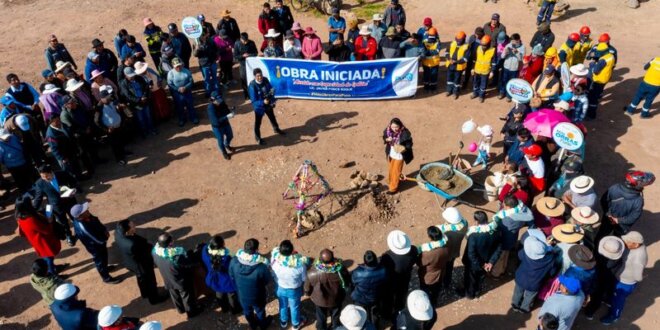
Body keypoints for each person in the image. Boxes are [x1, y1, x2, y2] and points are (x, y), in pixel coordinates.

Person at [600, 231, 648, 325]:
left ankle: (614, 316)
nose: (624, 243)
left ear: (636, 244)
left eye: (627, 242)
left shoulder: (638, 258)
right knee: (615, 295)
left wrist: (641, 277)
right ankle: (610, 301)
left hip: (626, 283)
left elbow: (638, 277)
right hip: (620, 278)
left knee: (619, 301)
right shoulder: (634, 247)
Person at [115, 220, 166, 305]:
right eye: (132, 226)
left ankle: (145, 293)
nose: (135, 226)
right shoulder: (133, 244)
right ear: (128, 231)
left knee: (141, 279)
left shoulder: (118, 233)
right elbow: (145, 252)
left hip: (131, 263)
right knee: (150, 281)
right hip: (142, 265)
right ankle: (154, 299)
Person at [71, 202, 121, 284]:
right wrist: (103, 240)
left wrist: (104, 230)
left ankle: (105, 268)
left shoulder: (87, 216)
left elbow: (97, 221)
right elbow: (94, 238)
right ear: (80, 216)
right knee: (99, 261)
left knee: (104, 256)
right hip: (95, 247)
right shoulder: (82, 227)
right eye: (85, 211)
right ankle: (106, 278)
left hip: (100, 242)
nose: (87, 210)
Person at [152, 233, 200, 318]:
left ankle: (180, 309)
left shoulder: (155, 252)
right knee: (186, 296)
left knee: (174, 294)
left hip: (167, 278)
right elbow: (188, 263)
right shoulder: (176, 256)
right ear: (170, 243)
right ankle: (191, 312)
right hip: (180, 280)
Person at [229, 238, 273, 329]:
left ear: (244, 248)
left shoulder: (234, 261)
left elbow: (231, 275)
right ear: (256, 250)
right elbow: (266, 280)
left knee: (247, 311)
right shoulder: (261, 266)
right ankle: (262, 325)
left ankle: (253, 325)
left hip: (242, 295)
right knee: (260, 310)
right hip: (258, 296)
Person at [511, 229, 559, 313]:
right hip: (535, 283)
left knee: (518, 291)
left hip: (520, 278)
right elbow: (552, 272)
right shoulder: (550, 258)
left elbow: (519, 256)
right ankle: (524, 308)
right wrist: (549, 248)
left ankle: (515, 304)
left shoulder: (525, 253)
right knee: (529, 296)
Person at [16, 197, 65, 276]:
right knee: (48, 257)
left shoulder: (20, 217)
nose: (32, 202)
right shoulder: (30, 219)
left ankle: (52, 268)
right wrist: (50, 221)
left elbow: (22, 232)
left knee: (47, 257)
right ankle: (52, 273)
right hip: (43, 242)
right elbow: (47, 230)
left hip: (36, 242)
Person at [32, 164, 78, 246]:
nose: (45, 179)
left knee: (75, 218)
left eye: (47, 176)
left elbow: (73, 181)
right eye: (43, 177)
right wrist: (32, 210)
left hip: (69, 201)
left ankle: (79, 231)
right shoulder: (39, 183)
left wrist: (73, 189)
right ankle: (69, 236)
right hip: (56, 206)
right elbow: (38, 198)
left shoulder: (62, 174)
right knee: (63, 222)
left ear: (51, 172)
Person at [459, 211, 502, 299]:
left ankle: (470, 294)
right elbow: (498, 248)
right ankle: (477, 291)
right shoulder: (496, 231)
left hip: (474, 264)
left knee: (471, 278)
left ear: (477, 222)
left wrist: (481, 264)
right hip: (487, 261)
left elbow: (471, 254)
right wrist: (490, 262)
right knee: (481, 277)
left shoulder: (474, 236)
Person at [599, 171, 654, 238]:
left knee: (601, 235)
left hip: (608, 219)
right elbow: (633, 217)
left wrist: (609, 214)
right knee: (617, 239)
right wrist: (618, 220)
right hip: (622, 226)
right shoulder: (638, 201)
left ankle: (596, 247)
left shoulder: (615, 187)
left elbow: (604, 201)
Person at [305, 249, 350, 330]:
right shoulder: (341, 270)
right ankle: (335, 327)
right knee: (336, 315)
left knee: (321, 316)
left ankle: (322, 328)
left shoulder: (312, 273)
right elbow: (347, 282)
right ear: (333, 259)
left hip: (320, 301)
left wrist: (308, 294)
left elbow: (307, 289)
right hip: (337, 299)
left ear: (320, 260)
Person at [491, 195, 534, 278]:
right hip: (514, 235)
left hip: (506, 238)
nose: (503, 205)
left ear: (509, 207)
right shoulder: (523, 208)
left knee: (502, 256)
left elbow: (499, 227)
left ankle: (496, 273)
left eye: (504, 204)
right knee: (507, 251)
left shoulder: (508, 218)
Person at [584, 236, 625, 320]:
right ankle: (608, 301)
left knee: (596, 297)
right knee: (609, 290)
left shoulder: (599, 258)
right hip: (611, 279)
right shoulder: (618, 259)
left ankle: (590, 312)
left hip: (598, 280)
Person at [271, 240, 308, 329]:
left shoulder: (275, 261)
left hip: (280, 287)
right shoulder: (300, 264)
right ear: (292, 251)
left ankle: (283, 322)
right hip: (294, 289)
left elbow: (272, 271)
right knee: (294, 307)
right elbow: (304, 278)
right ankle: (295, 324)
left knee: (282, 305)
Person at [380, 230, 418, 319]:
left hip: (391, 280)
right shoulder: (413, 250)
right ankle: (399, 312)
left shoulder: (387, 256)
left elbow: (383, 268)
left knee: (388, 298)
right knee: (401, 296)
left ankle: (386, 315)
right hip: (405, 278)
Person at [201, 235, 241, 314]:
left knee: (219, 293)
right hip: (226, 281)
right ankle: (235, 310)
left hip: (213, 280)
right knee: (231, 295)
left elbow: (205, 247)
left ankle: (224, 308)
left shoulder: (205, 252)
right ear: (222, 246)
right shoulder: (226, 258)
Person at [351, 250, 387, 328]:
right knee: (375, 314)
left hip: (361, 298)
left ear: (365, 262)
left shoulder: (357, 272)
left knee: (362, 314)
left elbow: (353, 283)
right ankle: (375, 326)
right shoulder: (383, 270)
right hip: (376, 297)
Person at [248, 68, 285, 145]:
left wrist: (272, 99)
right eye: (258, 76)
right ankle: (257, 138)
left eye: (261, 75)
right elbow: (254, 101)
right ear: (254, 76)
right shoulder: (252, 86)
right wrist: (262, 102)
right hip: (259, 108)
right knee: (258, 123)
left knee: (272, 118)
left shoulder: (265, 80)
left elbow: (270, 90)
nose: (260, 77)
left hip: (268, 104)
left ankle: (276, 129)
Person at [95, 86, 128, 165]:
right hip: (110, 130)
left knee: (120, 141)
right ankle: (119, 159)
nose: (108, 99)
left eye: (108, 97)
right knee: (115, 144)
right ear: (102, 99)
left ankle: (123, 153)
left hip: (118, 126)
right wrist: (106, 129)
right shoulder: (99, 107)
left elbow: (117, 108)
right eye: (106, 98)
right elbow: (96, 121)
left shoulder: (111, 101)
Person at [417, 226, 449, 306]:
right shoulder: (446, 247)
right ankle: (434, 303)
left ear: (430, 237)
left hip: (428, 277)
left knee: (425, 291)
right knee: (436, 291)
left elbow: (419, 263)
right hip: (440, 273)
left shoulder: (428, 253)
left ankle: (426, 305)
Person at [120, 67, 157, 136]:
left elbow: (146, 88)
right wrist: (139, 100)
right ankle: (144, 132)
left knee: (148, 116)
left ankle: (152, 129)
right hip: (136, 105)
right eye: (130, 76)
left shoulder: (139, 78)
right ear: (126, 75)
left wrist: (144, 96)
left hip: (145, 101)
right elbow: (128, 96)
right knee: (141, 119)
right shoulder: (123, 84)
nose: (132, 77)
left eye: (133, 75)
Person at [439, 207, 468, 289]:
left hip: (446, 253)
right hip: (455, 251)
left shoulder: (446, 232)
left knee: (444, 268)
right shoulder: (465, 224)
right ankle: (447, 283)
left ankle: (444, 283)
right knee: (450, 267)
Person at [382, 118, 413, 194]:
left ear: (400, 125)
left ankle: (393, 188)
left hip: (400, 155)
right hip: (391, 153)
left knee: (396, 171)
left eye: (396, 127)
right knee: (391, 168)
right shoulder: (388, 130)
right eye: (393, 127)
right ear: (390, 126)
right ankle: (390, 180)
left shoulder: (405, 133)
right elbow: (384, 137)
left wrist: (403, 148)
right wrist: (386, 140)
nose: (394, 129)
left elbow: (409, 144)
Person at [587, 42, 616, 119]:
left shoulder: (602, 60)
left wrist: (592, 64)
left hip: (598, 80)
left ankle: (591, 114)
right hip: (605, 79)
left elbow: (596, 70)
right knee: (597, 94)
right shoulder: (611, 56)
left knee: (592, 98)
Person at [167, 58, 199, 127]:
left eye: (179, 65)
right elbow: (170, 84)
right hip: (177, 93)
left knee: (190, 105)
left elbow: (191, 81)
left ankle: (193, 118)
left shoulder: (186, 71)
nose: (178, 67)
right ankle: (182, 119)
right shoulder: (170, 73)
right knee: (179, 107)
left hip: (187, 91)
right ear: (173, 66)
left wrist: (185, 87)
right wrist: (178, 89)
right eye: (176, 66)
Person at [207, 91, 236, 160]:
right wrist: (227, 117)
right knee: (220, 140)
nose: (219, 101)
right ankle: (224, 152)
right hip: (217, 127)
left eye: (220, 99)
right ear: (213, 99)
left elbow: (226, 111)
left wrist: (231, 110)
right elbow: (216, 122)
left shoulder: (222, 103)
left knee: (230, 136)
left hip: (225, 123)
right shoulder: (210, 108)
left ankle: (227, 144)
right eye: (218, 100)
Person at [471, 35, 496, 102]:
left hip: (485, 71)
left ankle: (481, 95)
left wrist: (492, 71)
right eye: (482, 45)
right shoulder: (478, 48)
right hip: (477, 70)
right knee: (475, 83)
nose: (483, 46)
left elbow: (493, 62)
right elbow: (474, 59)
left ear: (488, 44)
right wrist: (472, 68)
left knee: (483, 84)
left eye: (485, 45)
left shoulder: (493, 51)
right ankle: (475, 93)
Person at [500, 33, 525, 101]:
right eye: (512, 41)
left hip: (515, 68)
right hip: (506, 67)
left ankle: (509, 95)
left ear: (518, 40)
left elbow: (521, 59)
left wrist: (516, 52)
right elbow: (502, 56)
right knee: (504, 80)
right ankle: (502, 92)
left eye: (514, 41)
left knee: (512, 83)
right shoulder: (508, 45)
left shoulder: (522, 47)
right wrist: (505, 52)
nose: (512, 42)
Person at [195, 29, 220, 96]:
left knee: (214, 77)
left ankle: (216, 91)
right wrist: (197, 49)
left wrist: (217, 56)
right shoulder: (196, 43)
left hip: (212, 62)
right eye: (201, 35)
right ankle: (208, 92)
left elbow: (216, 49)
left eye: (204, 35)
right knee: (207, 79)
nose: (202, 36)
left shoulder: (211, 41)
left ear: (206, 34)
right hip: (204, 64)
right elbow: (195, 55)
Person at [234, 33, 259, 99]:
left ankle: (253, 93)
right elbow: (235, 57)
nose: (245, 42)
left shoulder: (251, 43)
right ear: (240, 39)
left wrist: (249, 55)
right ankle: (246, 94)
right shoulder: (237, 44)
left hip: (251, 65)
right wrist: (242, 56)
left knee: (252, 79)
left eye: (246, 40)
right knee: (244, 80)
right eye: (244, 40)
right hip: (243, 65)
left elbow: (255, 53)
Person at [445, 31, 470, 99]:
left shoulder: (466, 47)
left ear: (464, 39)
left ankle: (455, 92)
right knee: (449, 79)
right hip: (450, 65)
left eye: (460, 40)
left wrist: (456, 62)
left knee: (457, 80)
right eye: (457, 40)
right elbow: (446, 52)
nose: (458, 42)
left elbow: (465, 59)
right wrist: (449, 59)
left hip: (458, 67)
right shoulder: (452, 44)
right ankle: (449, 90)